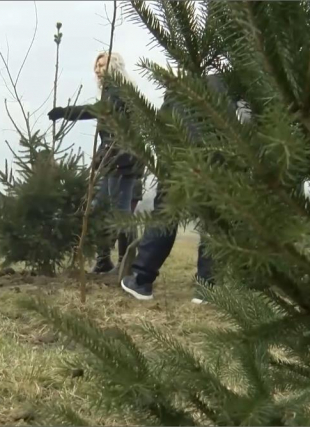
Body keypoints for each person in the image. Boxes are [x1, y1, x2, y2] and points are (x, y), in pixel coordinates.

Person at [121, 73, 245, 302]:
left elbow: (161, 124)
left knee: (166, 213)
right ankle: (207, 287)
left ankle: (141, 279)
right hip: (215, 156)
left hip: (176, 156)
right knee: (215, 219)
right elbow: (246, 119)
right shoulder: (229, 83)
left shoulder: (178, 85)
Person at [48, 52, 142, 274]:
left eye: (102, 65)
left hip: (122, 160)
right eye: (96, 66)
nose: (98, 70)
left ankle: (126, 264)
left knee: (121, 213)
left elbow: (97, 112)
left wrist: (65, 112)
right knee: (97, 207)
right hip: (108, 158)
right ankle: (103, 260)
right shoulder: (110, 92)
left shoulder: (120, 92)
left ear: (115, 66)